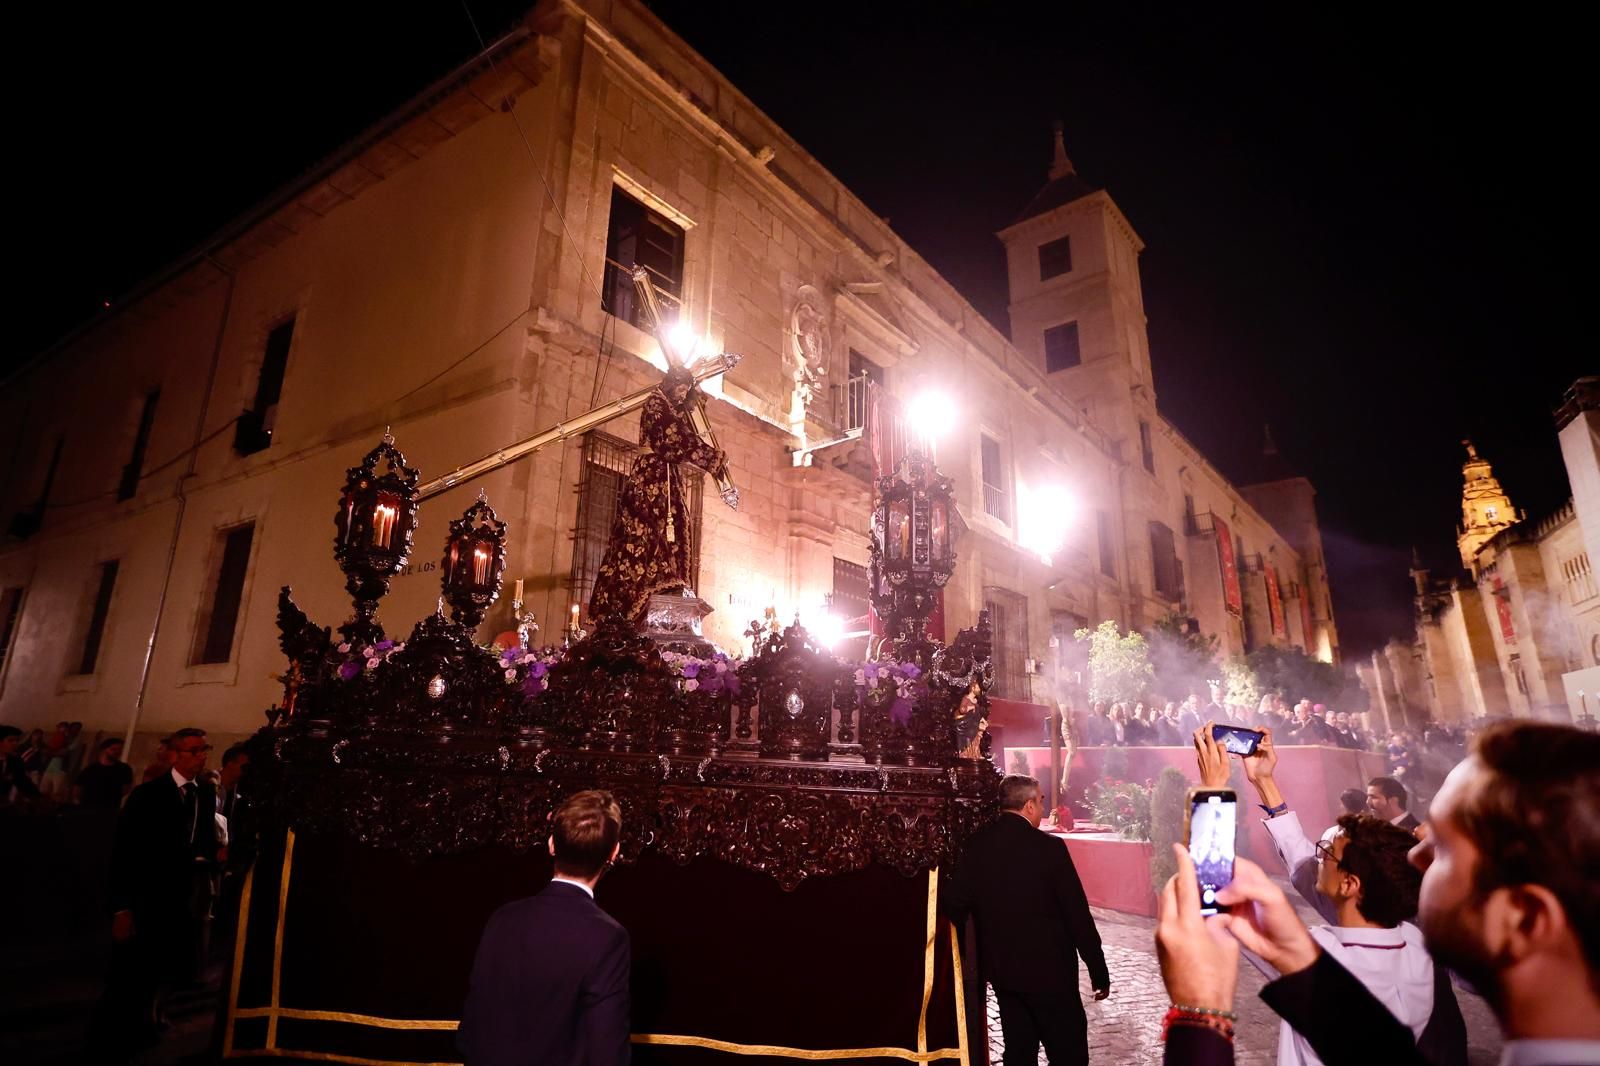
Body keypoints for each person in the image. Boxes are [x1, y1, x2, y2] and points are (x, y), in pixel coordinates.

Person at [1158, 720, 1600, 1065]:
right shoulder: (1414, 950)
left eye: (1442, 848)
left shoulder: (1394, 950)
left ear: (1523, 917)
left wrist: (1201, 1009)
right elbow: (1372, 1048)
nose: (1413, 857)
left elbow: (1215, 900)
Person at [1195, 724, 1466, 1065]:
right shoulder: (1416, 945)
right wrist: (1265, 783)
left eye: (1326, 852)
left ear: (1351, 884)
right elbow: (1304, 861)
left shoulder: (1320, 959)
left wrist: (1212, 791)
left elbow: (1216, 900)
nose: (1317, 854)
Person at [947, 774, 1110, 1065]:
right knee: (1068, 1055)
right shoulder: (1050, 849)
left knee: (1019, 1053)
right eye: (1040, 800)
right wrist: (1098, 970)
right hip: (1052, 977)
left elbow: (954, 903)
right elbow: (1077, 916)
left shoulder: (977, 846)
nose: (1042, 805)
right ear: (1029, 806)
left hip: (1005, 975)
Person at [459, 790, 630, 1066]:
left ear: (552, 844)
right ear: (614, 853)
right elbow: (607, 1052)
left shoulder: (503, 918)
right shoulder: (608, 938)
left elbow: (472, 1029)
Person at [91, 727, 219, 1060]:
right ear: (174, 755)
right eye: (192, 750)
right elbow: (125, 853)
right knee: (129, 973)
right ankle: (109, 1038)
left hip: (179, 898)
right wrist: (121, 907)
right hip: (144, 897)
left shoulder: (204, 793)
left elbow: (201, 839)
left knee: (164, 969)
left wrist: (214, 856)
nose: (200, 755)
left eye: (204, 749)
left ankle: (145, 1025)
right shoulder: (148, 795)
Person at [587, 367, 729, 623]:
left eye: (686, 390)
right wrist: (711, 458)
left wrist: (694, 407)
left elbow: (684, 431)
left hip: (663, 474)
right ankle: (650, 587)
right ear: (670, 384)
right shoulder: (655, 404)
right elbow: (673, 441)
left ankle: (667, 580)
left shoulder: (668, 407)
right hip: (651, 477)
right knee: (650, 529)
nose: (682, 395)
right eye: (681, 389)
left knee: (670, 526)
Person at [76, 736, 135, 810]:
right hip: (88, 808)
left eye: (119, 750)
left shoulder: (124, 769)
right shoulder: (90, 769)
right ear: (104, 750)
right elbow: (78, 788)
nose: (117, 752)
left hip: (110, 809)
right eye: (113, 749)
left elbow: (126, 788)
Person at [2, 725, 43, 803]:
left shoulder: (15, 760)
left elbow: (22, 781)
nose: (15, 743)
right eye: (10, 740)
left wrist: (39, 798)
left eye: (17, 740)